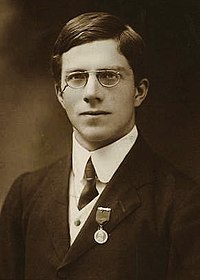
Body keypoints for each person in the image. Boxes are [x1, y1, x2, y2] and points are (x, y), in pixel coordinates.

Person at [0, 12, 200, 280]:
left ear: (139, 91)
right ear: (60, 93)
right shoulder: (26, 195)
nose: (91, 92)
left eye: (109, 76)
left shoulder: (181, 203)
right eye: (76, 77)